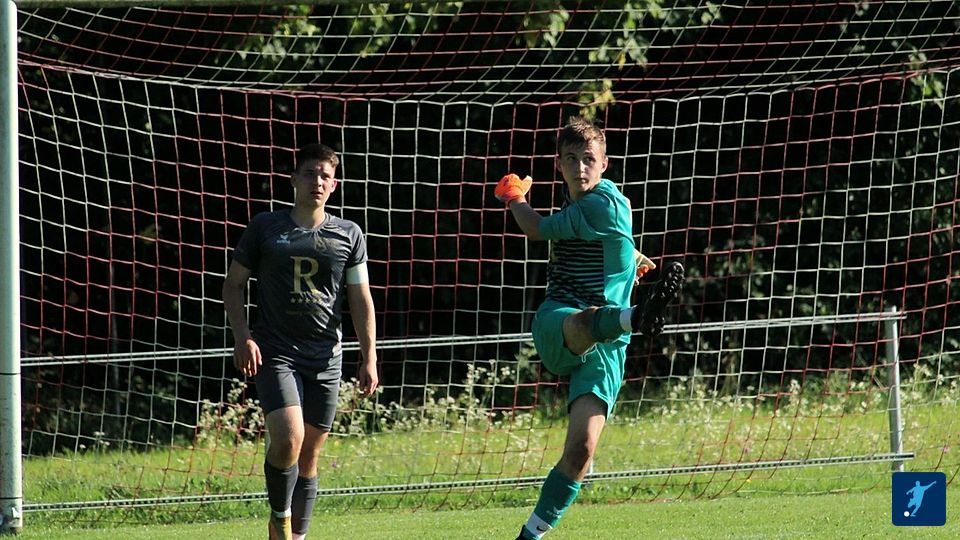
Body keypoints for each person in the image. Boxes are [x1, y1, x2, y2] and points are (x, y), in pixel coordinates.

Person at [494, 116, 684, 540]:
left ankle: (530, 536)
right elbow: (591, 236)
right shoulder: (604, 204)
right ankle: (637, 315)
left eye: (588, 159)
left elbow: (535, 227)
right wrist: (631, 260)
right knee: (585, 320)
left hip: (609, 340)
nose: (580, 168)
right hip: (559, 319)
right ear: (558, 164)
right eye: (571, 159)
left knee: (581, 451)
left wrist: (513, 196)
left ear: (604, 164)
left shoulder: (599, 204)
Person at [222, 143, 379, 540]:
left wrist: (369, 356)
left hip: (326, 357)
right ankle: (280, 518)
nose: (317, 182)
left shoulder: (349, 234)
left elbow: (360, 298)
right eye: (310, 173)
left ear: (334, 185)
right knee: (288, 439)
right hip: (276, 352)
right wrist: (243, 337)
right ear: (293, 179)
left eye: (325, 176)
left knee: (309, 455)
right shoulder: (265, 227)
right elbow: (233, 285)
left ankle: (297, 536)